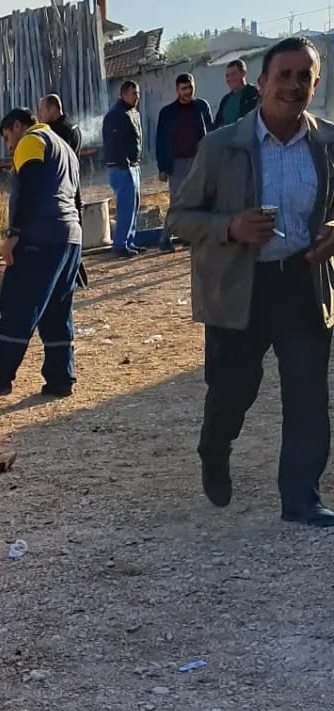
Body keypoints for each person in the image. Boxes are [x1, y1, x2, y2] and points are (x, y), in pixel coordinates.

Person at [168, 36, 334, 526]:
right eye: (283, 75)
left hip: (303, 284)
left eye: (304, 76)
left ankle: (300, 497)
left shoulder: (328, 143)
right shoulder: (222, 145)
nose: (293, 85)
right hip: (239, 291)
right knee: (233, 391)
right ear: (260, 84)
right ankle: (214, 450)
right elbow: (179, 216)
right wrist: (230, 227)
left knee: (307, 395)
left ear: (316, 84)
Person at [0, 108, 83, 400]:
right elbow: (76, 198)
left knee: (18, 306)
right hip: (70, 237)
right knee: (57, 311)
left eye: (8, 138)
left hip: (40, 237)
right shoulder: (65, 147)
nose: (9, 147)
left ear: (17, 126)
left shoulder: (31, 140)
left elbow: (29, 187)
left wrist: (13, 233)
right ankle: (61, 379)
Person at [156, 74, 214, 250]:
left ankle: (191, 236)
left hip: (198, 161)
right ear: (177, 90)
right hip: (177, 164)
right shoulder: (167, 113)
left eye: (190, 88)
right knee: (177, 202)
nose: (187, 92)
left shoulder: (202, 107)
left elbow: (210, 133)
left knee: (198, 200)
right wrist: (163, 167)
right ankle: (165, 238)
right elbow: (160, 141)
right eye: (184, 89)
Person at [103, 80, 144, 255]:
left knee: (134, 205)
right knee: (126, 207)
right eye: (134, 93)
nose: (137, 97)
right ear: (124, 95)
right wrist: (124, 163)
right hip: (122, 168)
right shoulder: (116, 115)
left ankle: (129, 240)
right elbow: (114, 143)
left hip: (133, 165)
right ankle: (120, 245)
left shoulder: (132, 112)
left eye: (138, 93)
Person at [214, 57, 261, 127]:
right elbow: (217, 124)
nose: (230, 79)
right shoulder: (225, 100)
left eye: (233, 74)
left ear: (243, 73)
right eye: (227, 76)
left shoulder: (254, 94)